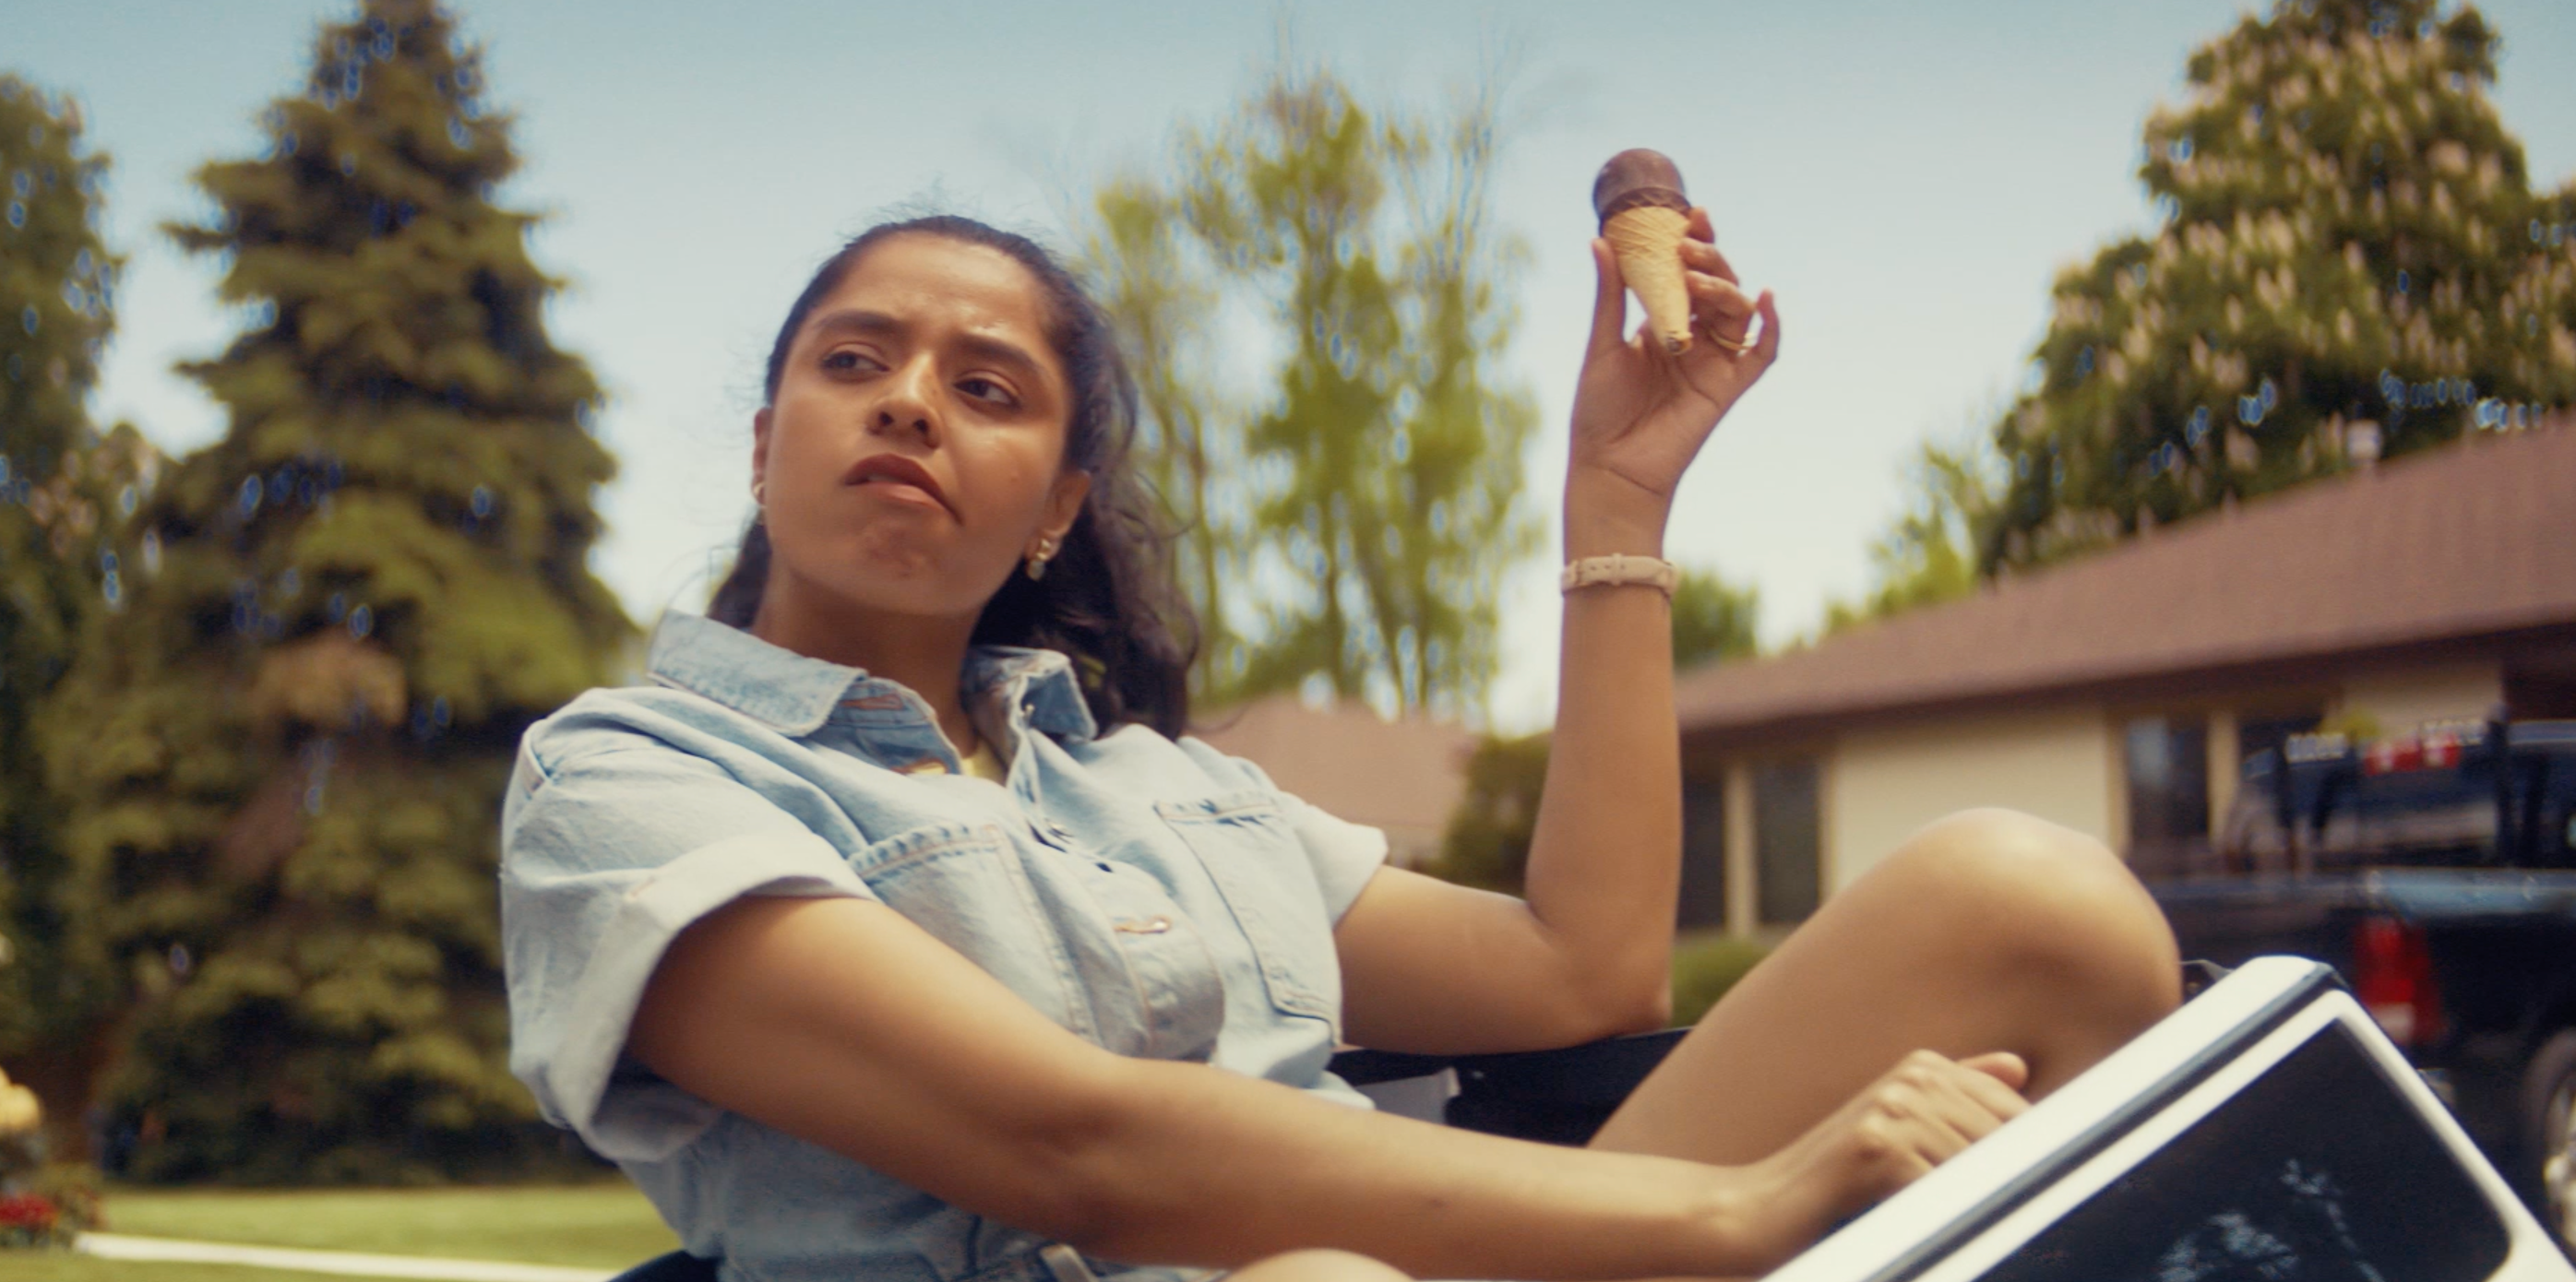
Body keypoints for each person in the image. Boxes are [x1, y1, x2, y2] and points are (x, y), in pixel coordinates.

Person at [499, 210, 2181, 1282]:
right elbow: (1076, 1148)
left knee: (2034, 901)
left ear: (1057, 512)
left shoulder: (1153, 784)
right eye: (852, 361)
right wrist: (1744, 1209)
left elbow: (1578, 971)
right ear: (762, 444)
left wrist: (1619, 504)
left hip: (1423, 1267)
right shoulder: (630, 782)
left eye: (990, 386)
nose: (911, 399)